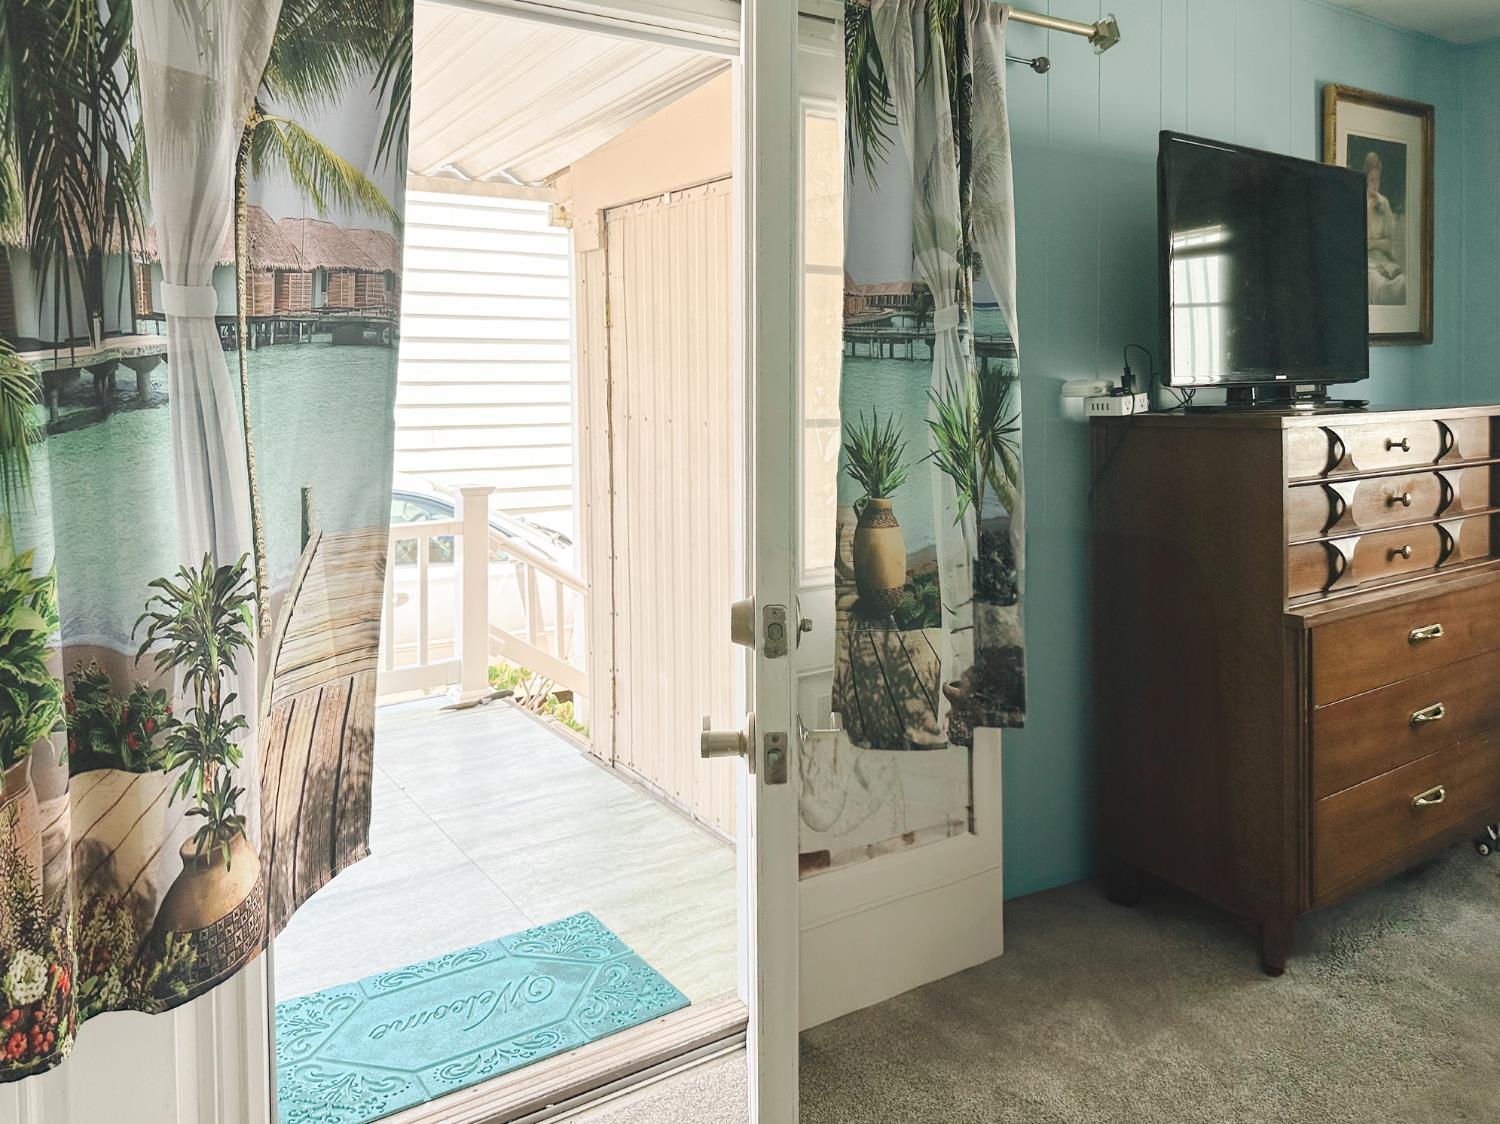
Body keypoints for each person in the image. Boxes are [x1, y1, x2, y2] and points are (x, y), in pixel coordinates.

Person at [1363, 149, 1406, 305]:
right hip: (1367, 263)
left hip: (1384, 261)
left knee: (1402, 283)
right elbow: (1360, 243)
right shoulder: (1358, 201)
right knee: (1379, 287)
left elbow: (1389, 242)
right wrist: (1368, 208)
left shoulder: (1384, 203)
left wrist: (1373, 243)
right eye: (1372, 180)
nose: (1375, 185)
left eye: (1377, 180)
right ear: (1365, 180)